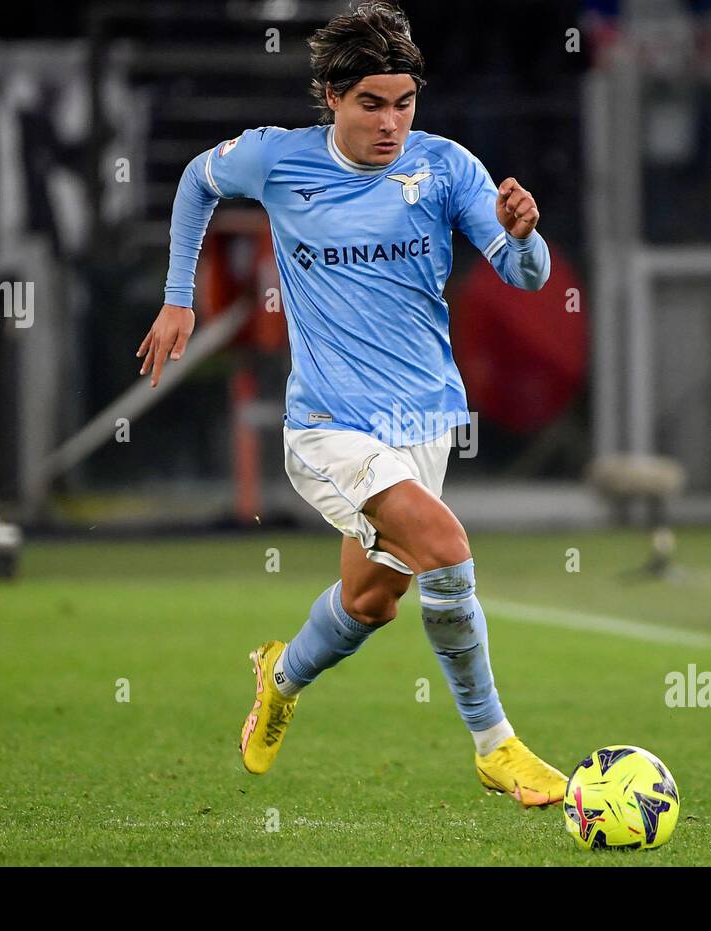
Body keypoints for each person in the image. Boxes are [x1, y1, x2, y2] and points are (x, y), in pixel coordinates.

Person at [136, 2, 565, 805]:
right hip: (330, 427)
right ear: (332, 96)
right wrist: (177, 299)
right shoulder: (276, 161)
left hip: (426, 422)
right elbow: (197, 180)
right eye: (373, 102)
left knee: (373, 603)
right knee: (447, 544)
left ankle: (280, 675)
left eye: (404, 102)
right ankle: (495, 745)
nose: (392, 122)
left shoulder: (444, 168)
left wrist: (526, 235)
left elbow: (524, 276)